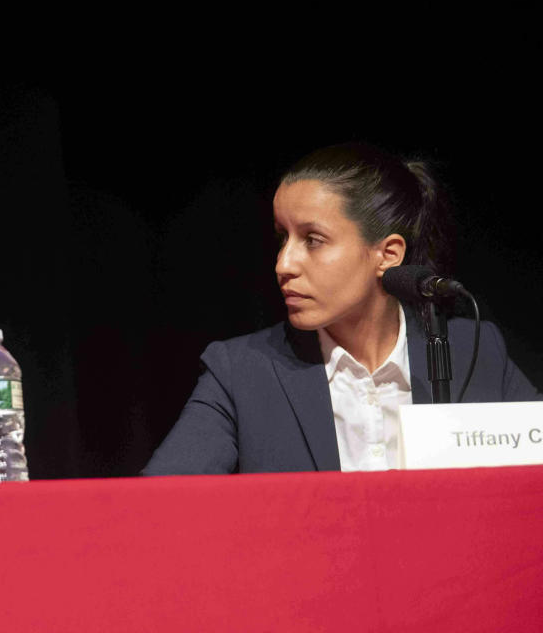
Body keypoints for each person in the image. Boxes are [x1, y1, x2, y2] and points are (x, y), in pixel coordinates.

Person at [143, 143, 541, 475]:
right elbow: (157, 506)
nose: (284, 264)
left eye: (312, 240)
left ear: (387, 255)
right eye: (283, 238)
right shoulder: (240, 371)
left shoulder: (474, 350)